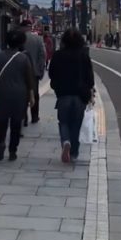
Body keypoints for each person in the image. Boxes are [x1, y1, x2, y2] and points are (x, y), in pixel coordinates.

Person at [0, 30, 35, 161]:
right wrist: (32, 96)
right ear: (21, 43)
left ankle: (1, 143)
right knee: (16, 123)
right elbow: (30, 79)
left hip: (2, 93)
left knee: (2, 121)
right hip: (20, 95)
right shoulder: (24, 58)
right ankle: (13, 150)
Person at [48, 28, 95, 163]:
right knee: (76, 125)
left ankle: (66, 141)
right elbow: (90, 79)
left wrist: (56, 85)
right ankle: (74, 152)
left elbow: (51, 74)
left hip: (63, 95)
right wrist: (89, 90)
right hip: (80, 96)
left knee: (63, 122)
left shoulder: (58, 55)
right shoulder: (83, 56)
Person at [18, 20, 46, 125]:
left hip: (20, 72)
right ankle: (34, 116)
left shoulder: (19, 39)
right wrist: (40, 70)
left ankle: (23, 117)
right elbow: (43, 55)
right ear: (30, 27)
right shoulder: (38, 39)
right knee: (34, 94)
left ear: (22, 28)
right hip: (34, 72)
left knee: (21, 95)